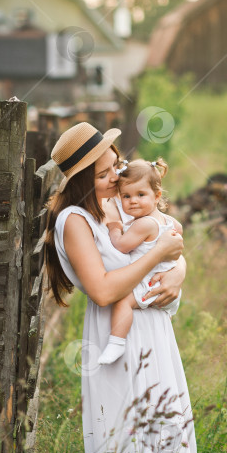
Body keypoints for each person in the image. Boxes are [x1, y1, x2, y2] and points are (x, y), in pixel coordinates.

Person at [43, 121, 215, 453]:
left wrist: (178, 272)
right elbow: (103, 288)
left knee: (168, 427)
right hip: (116, 336)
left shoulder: (117, 206)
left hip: (153, 329)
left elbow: (167, 238)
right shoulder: (74, 220)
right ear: (82, 181)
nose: (115, 178)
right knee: (127, 436)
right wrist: (161, 256)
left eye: (115, 167)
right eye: (103, 174)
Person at [98, 156, 183, 365]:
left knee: (122, 303)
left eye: (140, 194)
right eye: (126, 196)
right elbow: (178, 240)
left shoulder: (143, 224)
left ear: (157, 196)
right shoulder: (171, 222)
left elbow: (121, 245)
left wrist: (114, 227)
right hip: (165, 285)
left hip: (149, 284)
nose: (133, 200)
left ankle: (116, 344)